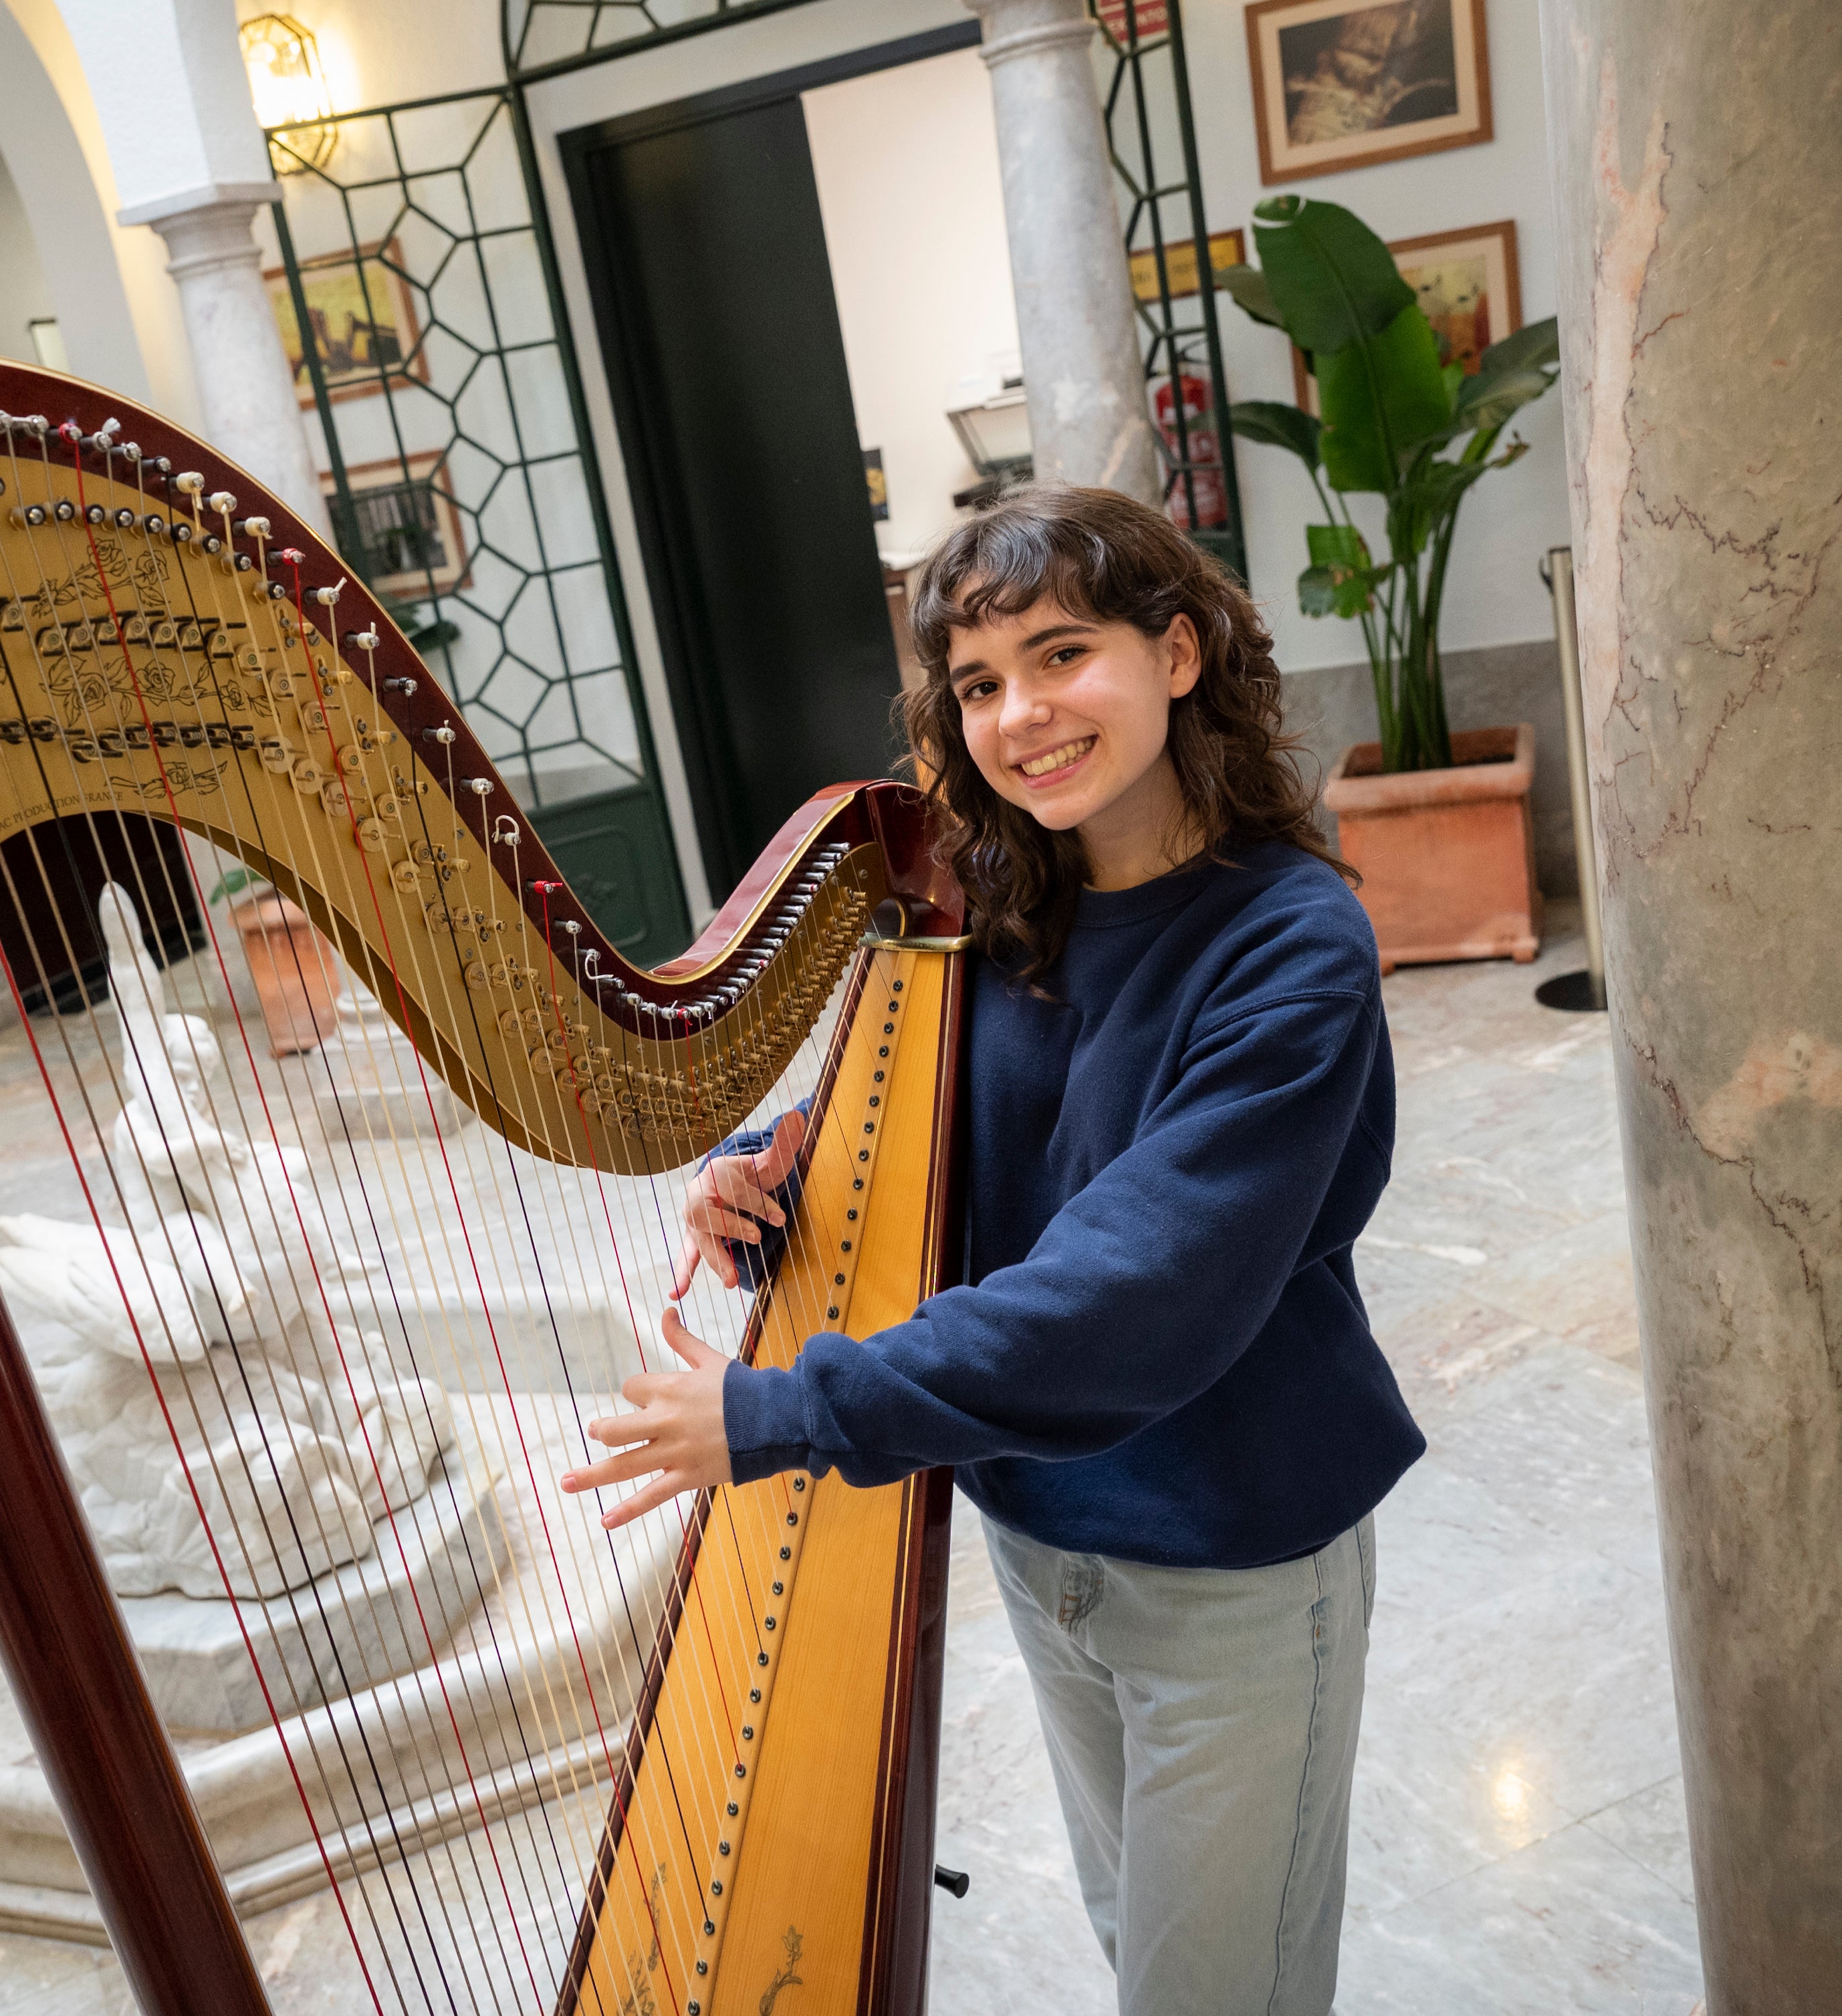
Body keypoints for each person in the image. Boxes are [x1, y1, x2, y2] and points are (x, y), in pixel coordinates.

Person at [557, 485, 1422, 2016]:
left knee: (1216, 1996)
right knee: (1135, 1938)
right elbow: (935, 1163)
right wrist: (764, 1176)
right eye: (975, 682)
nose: (1018, 714)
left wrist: (782, 1408)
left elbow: (1133, 1292)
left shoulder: (1290, 946)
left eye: (1060, 654)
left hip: (1229, 1561)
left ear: (1174, 654)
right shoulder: (995, 917)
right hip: (1041, 1539)